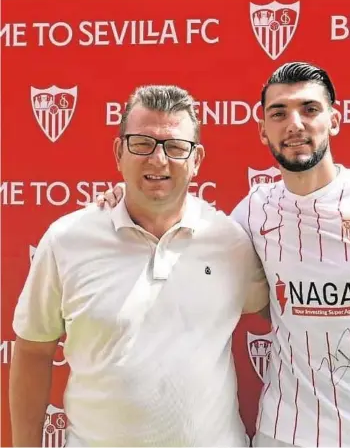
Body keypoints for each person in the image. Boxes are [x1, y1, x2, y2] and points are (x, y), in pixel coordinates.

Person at [99, 63, 350, 447]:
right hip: (280, 435)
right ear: (262, 130)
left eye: (309, 109)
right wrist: (124, 200)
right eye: (279, 113)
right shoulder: (253, 211)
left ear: (334, 120)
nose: (295, 124)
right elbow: (177, 230)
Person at [10, 85, 269, 447]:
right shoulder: (67, 240)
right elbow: (34, 350)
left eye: (176, 147)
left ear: (197, 160)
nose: (158, 160)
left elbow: (283, 314)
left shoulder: (232, 243)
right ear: (119, 152)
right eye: (142, 144)